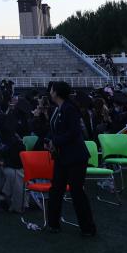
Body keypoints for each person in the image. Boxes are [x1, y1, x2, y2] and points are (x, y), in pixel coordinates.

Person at [45, 81, 96, 237]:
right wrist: (49, 140)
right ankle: (53, 223)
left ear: (56, 93)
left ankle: (88, 228)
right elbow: (54, 130)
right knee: (56, 190)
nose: (50, 92)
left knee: (76, 192)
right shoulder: (58, 109)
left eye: (51, 90)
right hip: (62, 156)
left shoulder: (69, 109)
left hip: (75, 157)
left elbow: (74, 132)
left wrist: (55, 141)